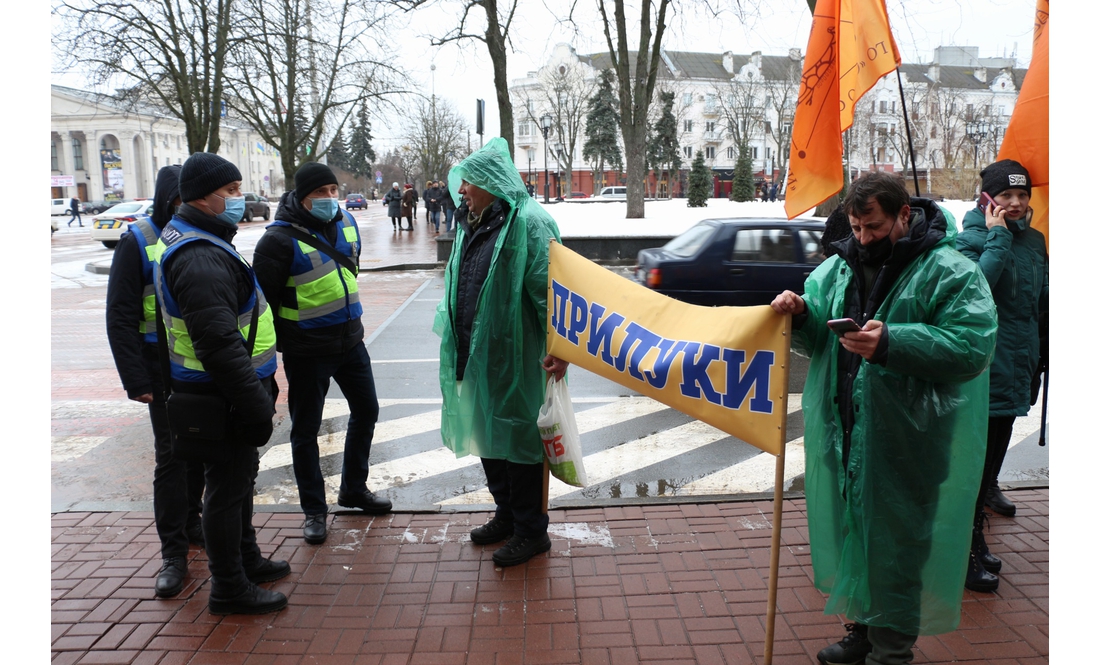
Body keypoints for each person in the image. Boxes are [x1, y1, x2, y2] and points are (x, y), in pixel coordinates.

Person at [770, 171, 996, 665]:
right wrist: (801, 312)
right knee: (858, 534)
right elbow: (817, 340)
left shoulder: (950, 271)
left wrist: (892, 342)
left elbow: (973, 346)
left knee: (898, 547)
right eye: (856, 228)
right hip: (848, 432)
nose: (864, 238)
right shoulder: (839, 268)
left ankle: (891, 653)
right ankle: (864, 632)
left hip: (912, 440)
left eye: (873, 227)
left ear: (904, 216)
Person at [152, 152, 290, 615]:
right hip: (223, 394)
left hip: (224, 390)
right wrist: (254, 403)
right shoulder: (200, 256)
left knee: (237, 482)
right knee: (227, 491)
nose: (239, 198)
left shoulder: (200, 238)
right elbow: (217, 343)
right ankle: (230, 587)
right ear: (200, 198)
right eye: (229, 192)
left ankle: (245, 560)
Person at [434, 137, 568, 568]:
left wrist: (559, 349)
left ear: (492, 181)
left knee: (521, 443)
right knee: (489, 435)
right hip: (477, 351)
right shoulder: (473, 222)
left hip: (519, 356)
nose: (462, 190)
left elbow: (552, 293)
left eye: (470, 181)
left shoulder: (530, 222)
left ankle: (532, 531)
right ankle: (507, 515)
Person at [253, 162, 391, 546]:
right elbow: (261, 304)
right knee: (305, 430)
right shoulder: (276, 241)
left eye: (334, 190)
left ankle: (353, 490)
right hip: (307, 351)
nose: (331, 198)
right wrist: (284, 346)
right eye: (321, 193)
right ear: (302, 196)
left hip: (350, 341)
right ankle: (314, 509)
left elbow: (350, 271)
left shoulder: (347, 222)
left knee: (367, 411)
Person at [105, 165, 206, 599]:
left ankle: (193, 522)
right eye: (183, 202)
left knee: (202, 449)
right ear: (171, 201)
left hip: (200, 367)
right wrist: (135, 379)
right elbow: (120, 315)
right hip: (160, 370)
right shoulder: (139, 240)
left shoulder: (207, 235)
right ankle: (173, 553)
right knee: (172, 458)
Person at [955, 159, 1048, 592]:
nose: (1014, 203)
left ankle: (974, 539)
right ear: (987, 198)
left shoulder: (1035, 241)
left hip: (1019, 367)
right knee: (973, 467)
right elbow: (973, 293)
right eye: (1006, 195)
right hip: (984, 368)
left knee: (990, 466)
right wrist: (997, 238)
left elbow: (1038, 306)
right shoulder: (967, 240)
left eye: (1021, 195)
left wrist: (1041, 357)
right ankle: (964, 547)